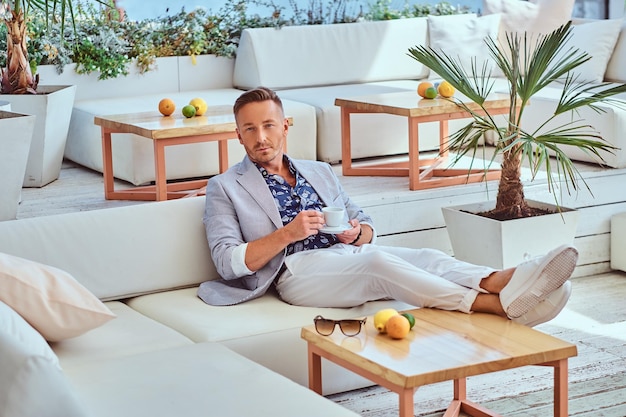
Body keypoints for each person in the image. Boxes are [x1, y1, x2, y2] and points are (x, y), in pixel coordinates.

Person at [198, 87, 577, 327]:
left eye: (268, 125)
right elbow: (227, 261)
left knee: (425, 255)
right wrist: (287, 234)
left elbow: (364, 221)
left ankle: (504, 280)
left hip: (344, 253)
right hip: (294, 274)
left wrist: (357, 232)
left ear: (285, 125)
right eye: (249, 129)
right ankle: (494, 306)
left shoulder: (318, 171)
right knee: (379, 263)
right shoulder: (225, 187)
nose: (261, 137)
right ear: (238, 134)